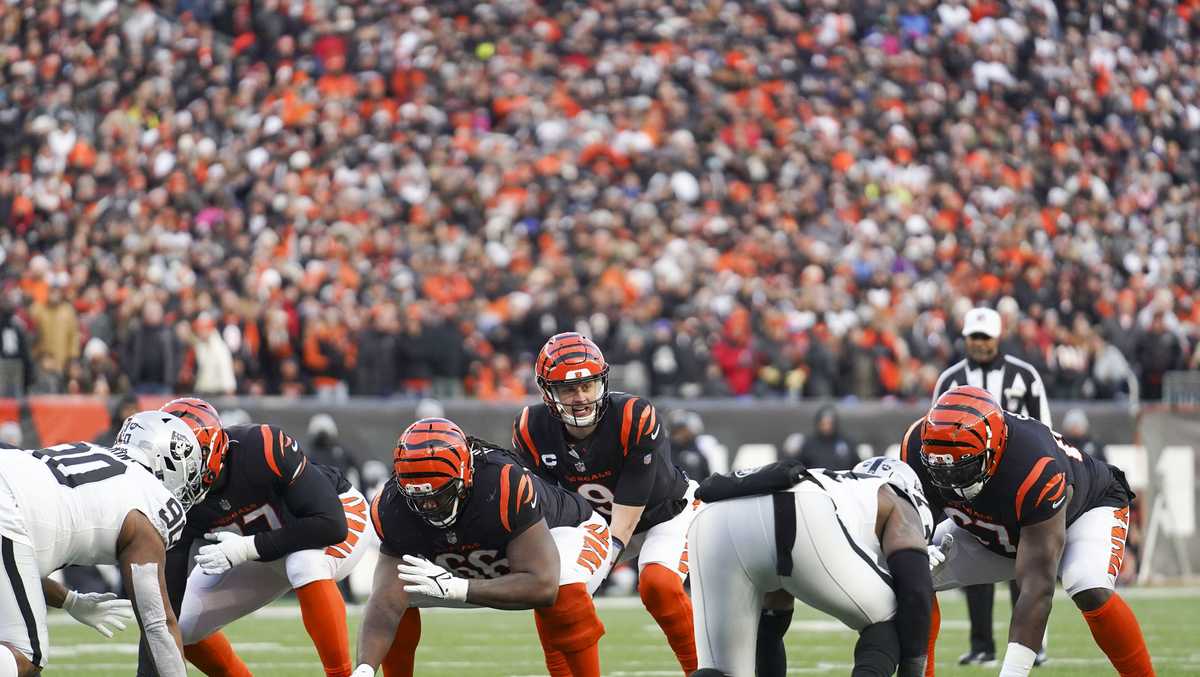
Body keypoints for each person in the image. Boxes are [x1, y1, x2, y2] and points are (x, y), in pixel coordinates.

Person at [903, 386, 1153, 677]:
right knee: (910, 575)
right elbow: (913, 518)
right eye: (940, 469)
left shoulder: (1035, 467)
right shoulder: (916, 447)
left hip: (1082, 512)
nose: (949, 480)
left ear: (993, 450)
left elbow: (1037, 590)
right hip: (995, 529)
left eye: (963, 468)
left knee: (1086, 584)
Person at [351, 418, 610, 677]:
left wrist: (459, 588)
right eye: (418, 498)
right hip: (480, 561)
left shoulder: (502, 485)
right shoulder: (392, 505)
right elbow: (384, 601)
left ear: (465, 476)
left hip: (565, 535)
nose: (429, 506)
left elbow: (543, 586)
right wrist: (364, 669)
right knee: (401, 590)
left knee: (565, 590)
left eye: (440, 494)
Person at [137, 398, 375, 677]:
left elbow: (331, 525)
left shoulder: (262, 447)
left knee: (304, 562)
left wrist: (249, 547)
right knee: (182, 628)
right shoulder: (176, 497)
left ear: (210, 451)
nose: (173, 473)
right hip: (254, 547)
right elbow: (167, 610)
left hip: (335, 518)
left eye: (182, 460)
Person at [511, 332, 701, 674]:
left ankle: (699, 670)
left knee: (659, 584)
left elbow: (631, 503)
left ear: (604, 382)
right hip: (594, 523)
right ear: (547, 392)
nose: (580, 397)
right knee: (553, 594)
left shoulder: (633, 415)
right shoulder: (531, 427)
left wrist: (605, 558)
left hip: (662, 514)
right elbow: (547, 508)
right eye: (568, 388)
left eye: (587, 385)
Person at [0, 410, 205, 677]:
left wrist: (71, 601)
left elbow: (15, 569)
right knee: (27, 654)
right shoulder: (149, 505)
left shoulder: (97, 455)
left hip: (8, 479)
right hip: (8, 503)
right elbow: (157, 623)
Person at [687, 456, 934, 677]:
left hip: (710, 519)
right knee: (888, 620)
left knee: (722, 671)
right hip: (798, 507)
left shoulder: (841, 487)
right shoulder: (893, 497)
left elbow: (773, 612)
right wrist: (912, 667)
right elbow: (915, 590)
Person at [933, 306, 1051, 665]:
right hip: (968, 484)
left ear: (998, 337)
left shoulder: (1024, 375)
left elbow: (1044, 427)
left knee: (1026, 562)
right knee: (974, 563)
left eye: (985, 337)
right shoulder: (950, 379)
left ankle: (1033, 645)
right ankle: (982, 644)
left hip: (1016, 480)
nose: (979, 343)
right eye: (974, 337)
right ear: (965, 338)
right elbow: (933, 429)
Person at [797, 404, 858, 470]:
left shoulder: (846, 442)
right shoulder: (809, 443)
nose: (826, 427)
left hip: (841, 479)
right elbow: (800, 466)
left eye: (829, 423)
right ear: (818, 424)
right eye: (823, 424)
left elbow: (856, 465)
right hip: (816, 479)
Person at [666, 410, 712, 482]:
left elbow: (705, 475)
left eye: (682, 429)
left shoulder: (697, 448)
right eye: (676, 430)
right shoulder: (666, 449)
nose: (679, 434)